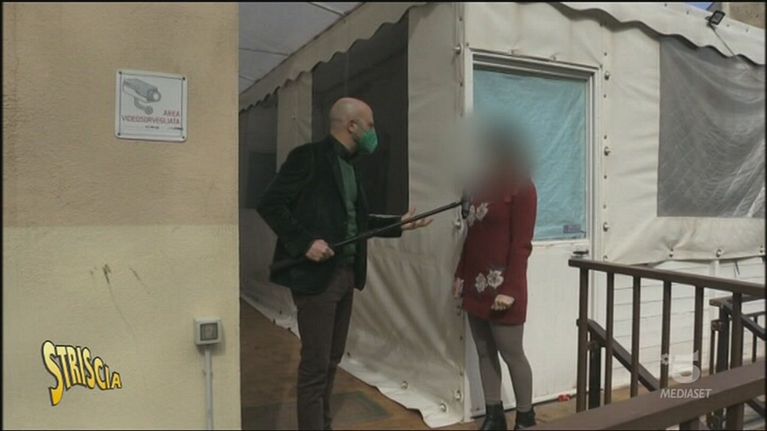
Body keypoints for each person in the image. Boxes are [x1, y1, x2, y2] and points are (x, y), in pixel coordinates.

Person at [257, 97, 432, 431]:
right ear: (352, 125)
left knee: (332, 360)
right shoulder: (308, 157)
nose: (374, 132)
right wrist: (305, 243)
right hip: (316, 280)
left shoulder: (352, 166)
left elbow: (358, 222)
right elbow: (271, 203)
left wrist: (399, 223)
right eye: (370, 124)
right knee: (315, 365)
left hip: (346, 276)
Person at [453, 125, 538, 430]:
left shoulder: (522, 188)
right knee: (484, 350)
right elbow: (471, 237)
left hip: (503, 288)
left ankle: (526, 418)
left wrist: (511, 289)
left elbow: (522, 244)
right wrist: (460, 275)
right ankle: (494, 414)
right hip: (476, 284)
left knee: (511, 353)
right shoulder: (480, 186)